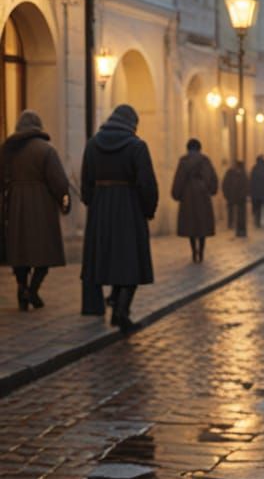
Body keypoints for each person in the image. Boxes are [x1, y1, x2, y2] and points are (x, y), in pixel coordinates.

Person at [80, 104, 158, 330]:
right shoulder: (137, 146)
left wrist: (92, 203)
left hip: (100, 208)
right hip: (129, 207)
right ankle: (121, 310)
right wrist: (148, 209)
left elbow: (86, 180)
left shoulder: (93, 145)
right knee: (130, 260)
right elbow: (147, 183)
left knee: (105, 258)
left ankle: (114, 303)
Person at [0, 110, 70, 310]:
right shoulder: (46, 150)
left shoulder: (7, 150)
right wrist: (64, 200)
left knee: (19, 250)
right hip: (41, 206)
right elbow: (58, 181)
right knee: (44, 250)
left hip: (14, 205)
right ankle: (33, 289)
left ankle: (22, 287)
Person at [171, 138, 218, 262]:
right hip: (203, 196)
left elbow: (179, 179)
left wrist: (176, 194)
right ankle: (201, 251)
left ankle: (193, 251)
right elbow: (212, 178)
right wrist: (211, 190)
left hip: (188, 196)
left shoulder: (184, 161)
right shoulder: (205, 160)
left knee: (190, 225)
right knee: (202, 226)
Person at [221, 160, 248, 237]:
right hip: (235, 197)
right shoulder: (243, 174)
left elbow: (224, 184)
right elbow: (246, 186)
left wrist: (226, 194)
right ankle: (234, 226)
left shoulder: (230, 172)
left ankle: (232, 225)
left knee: (234, 211)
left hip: (233, 196)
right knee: (239, 213)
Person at [250, 154, 264, 229]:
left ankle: (258, 221)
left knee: (258, 207)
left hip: (256, 192)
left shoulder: (254, 168)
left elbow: (251, 181)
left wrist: (251, 191)